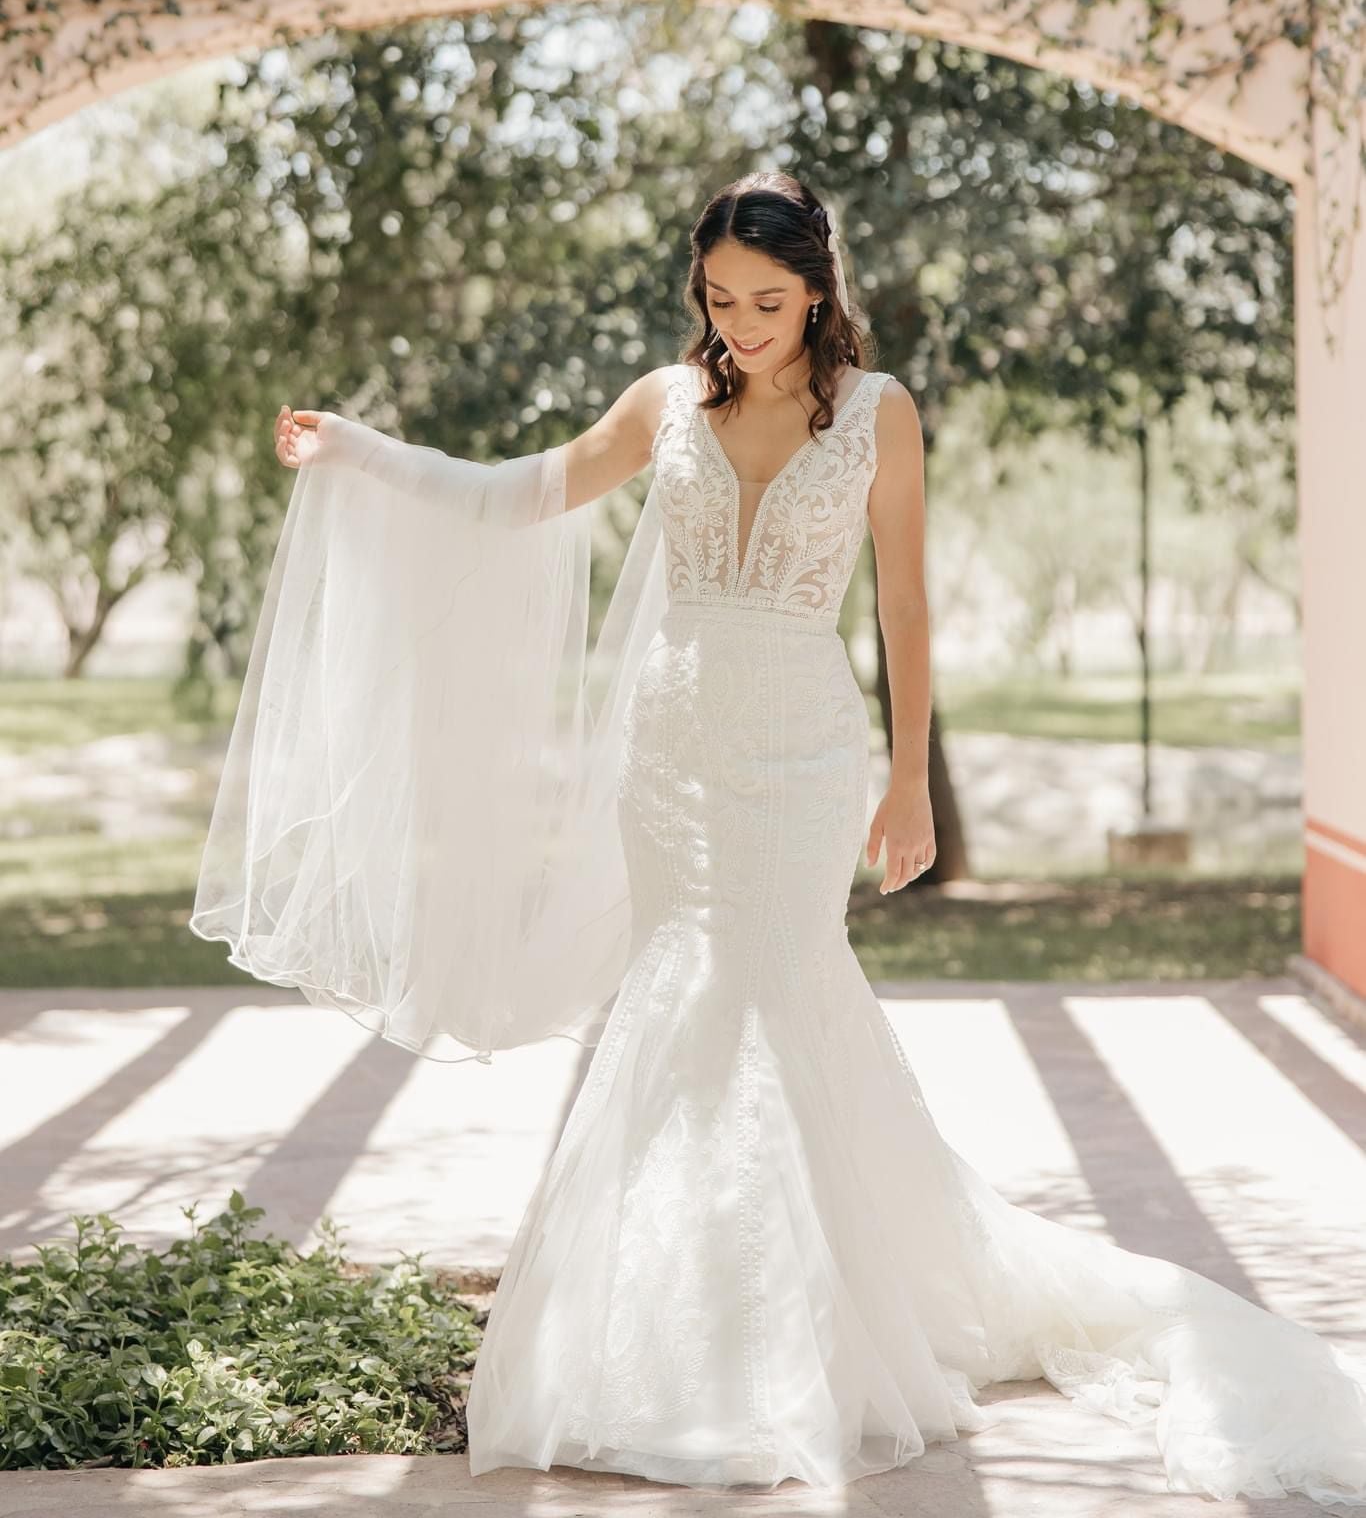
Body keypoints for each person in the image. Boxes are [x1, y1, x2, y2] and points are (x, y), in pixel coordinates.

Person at [192, 172, 1366, 1502]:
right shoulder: (665, 402)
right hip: (673, 752)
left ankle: (780, 1343)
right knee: (686, 999)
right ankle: (664, 1339)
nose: (741, 325)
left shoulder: (878, 412)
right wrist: (360, 451)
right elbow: (520, 493)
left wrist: (910, 784)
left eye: (766, 300)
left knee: (768, 989)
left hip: (804, 749)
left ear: (817, 290)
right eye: (719, 300)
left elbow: (906, 608)